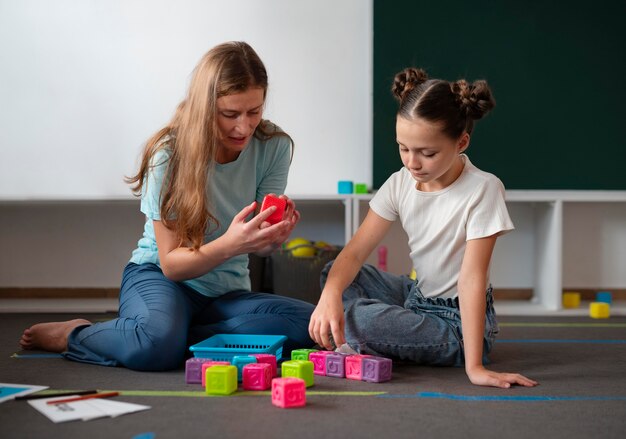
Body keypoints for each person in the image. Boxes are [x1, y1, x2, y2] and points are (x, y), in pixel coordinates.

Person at [19, 41, 315, 371]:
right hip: (161, 279)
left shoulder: (273, 147)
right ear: (205, 108)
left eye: (254, 112)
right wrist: (233, 243)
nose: (243, 127)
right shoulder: (168, 154)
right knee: (158, 346)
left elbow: (256, 246)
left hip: (224, 294)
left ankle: (166, 336)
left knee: (312, 326)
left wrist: (270, 239)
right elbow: (173, 265)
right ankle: (77, 334)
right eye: (230, 114)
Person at [309, 68, 538, 389]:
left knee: (358, 318)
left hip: (456, 324)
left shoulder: (483, 189)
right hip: (416, 297)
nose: (412, 163)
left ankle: (366, 329)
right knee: (336, 272)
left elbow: (471, 278)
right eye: (403, 148)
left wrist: (475, 368)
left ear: (461, 142)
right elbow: (356, 251)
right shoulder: (400, 183)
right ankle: (375, 328)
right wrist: (331, 294)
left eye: (427, 153)